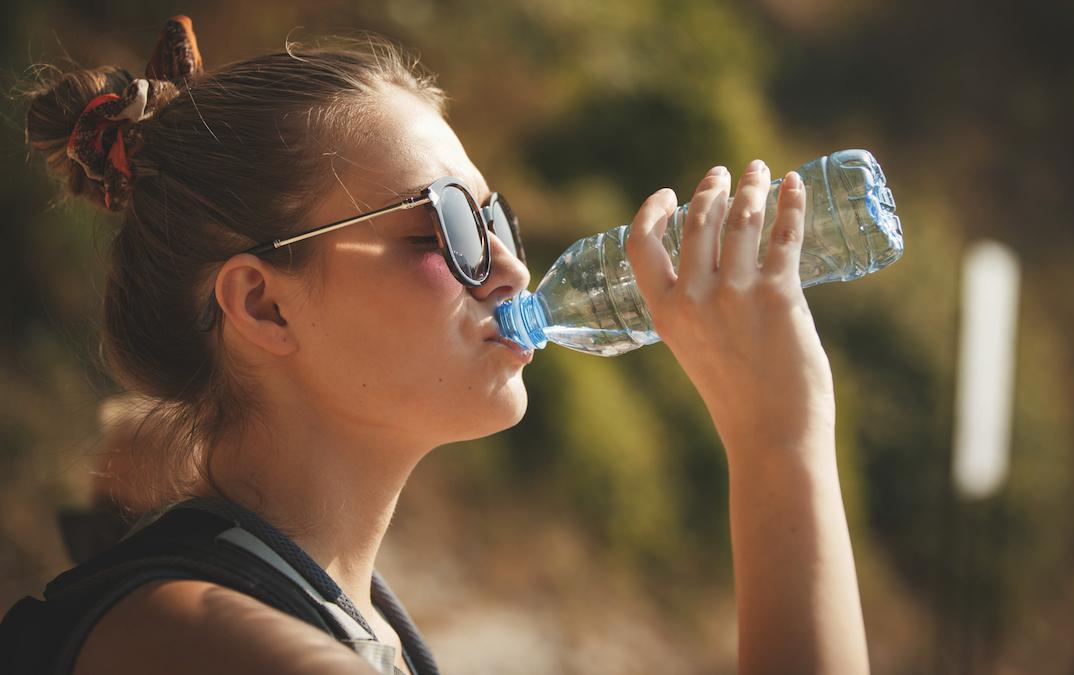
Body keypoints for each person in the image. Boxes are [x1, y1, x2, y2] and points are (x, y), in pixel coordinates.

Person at [12, 14, 869, 675]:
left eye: (497, 218)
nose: (509, 265)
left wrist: (783, 436)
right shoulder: (206, 638)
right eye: (449, 222)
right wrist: (778, 440)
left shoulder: (343, 618)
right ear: (264, 305)